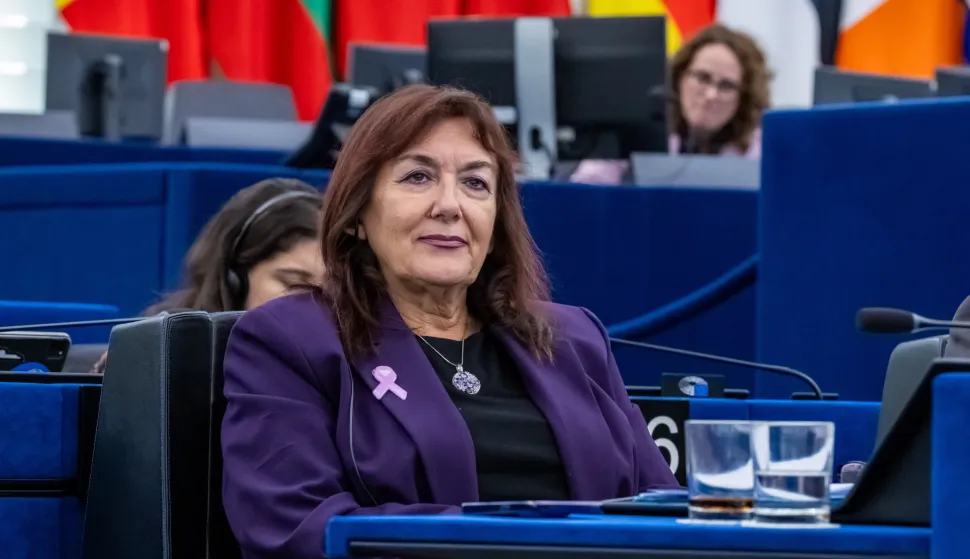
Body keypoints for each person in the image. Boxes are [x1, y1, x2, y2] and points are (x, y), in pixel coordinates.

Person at [220, 85, 679, 558]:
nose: (449, 205)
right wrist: (509, 542)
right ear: (357, 214)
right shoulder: (290, 340)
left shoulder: (574, 338)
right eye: (418, 177)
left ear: (495, 224)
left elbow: (664, 511)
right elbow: (294, 528)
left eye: (475, 183)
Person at [88, 178, 324, 373]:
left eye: (330, 291)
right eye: (294, 282)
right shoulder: (161, 354)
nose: (314, 303)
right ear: (235, 278)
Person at [570, 23, 771, 185]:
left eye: (726, 85)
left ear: (744, 96)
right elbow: (587, 189)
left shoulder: (761, 151)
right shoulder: (637, 126)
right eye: (702, 78)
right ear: (680, 77)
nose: (711, 94)